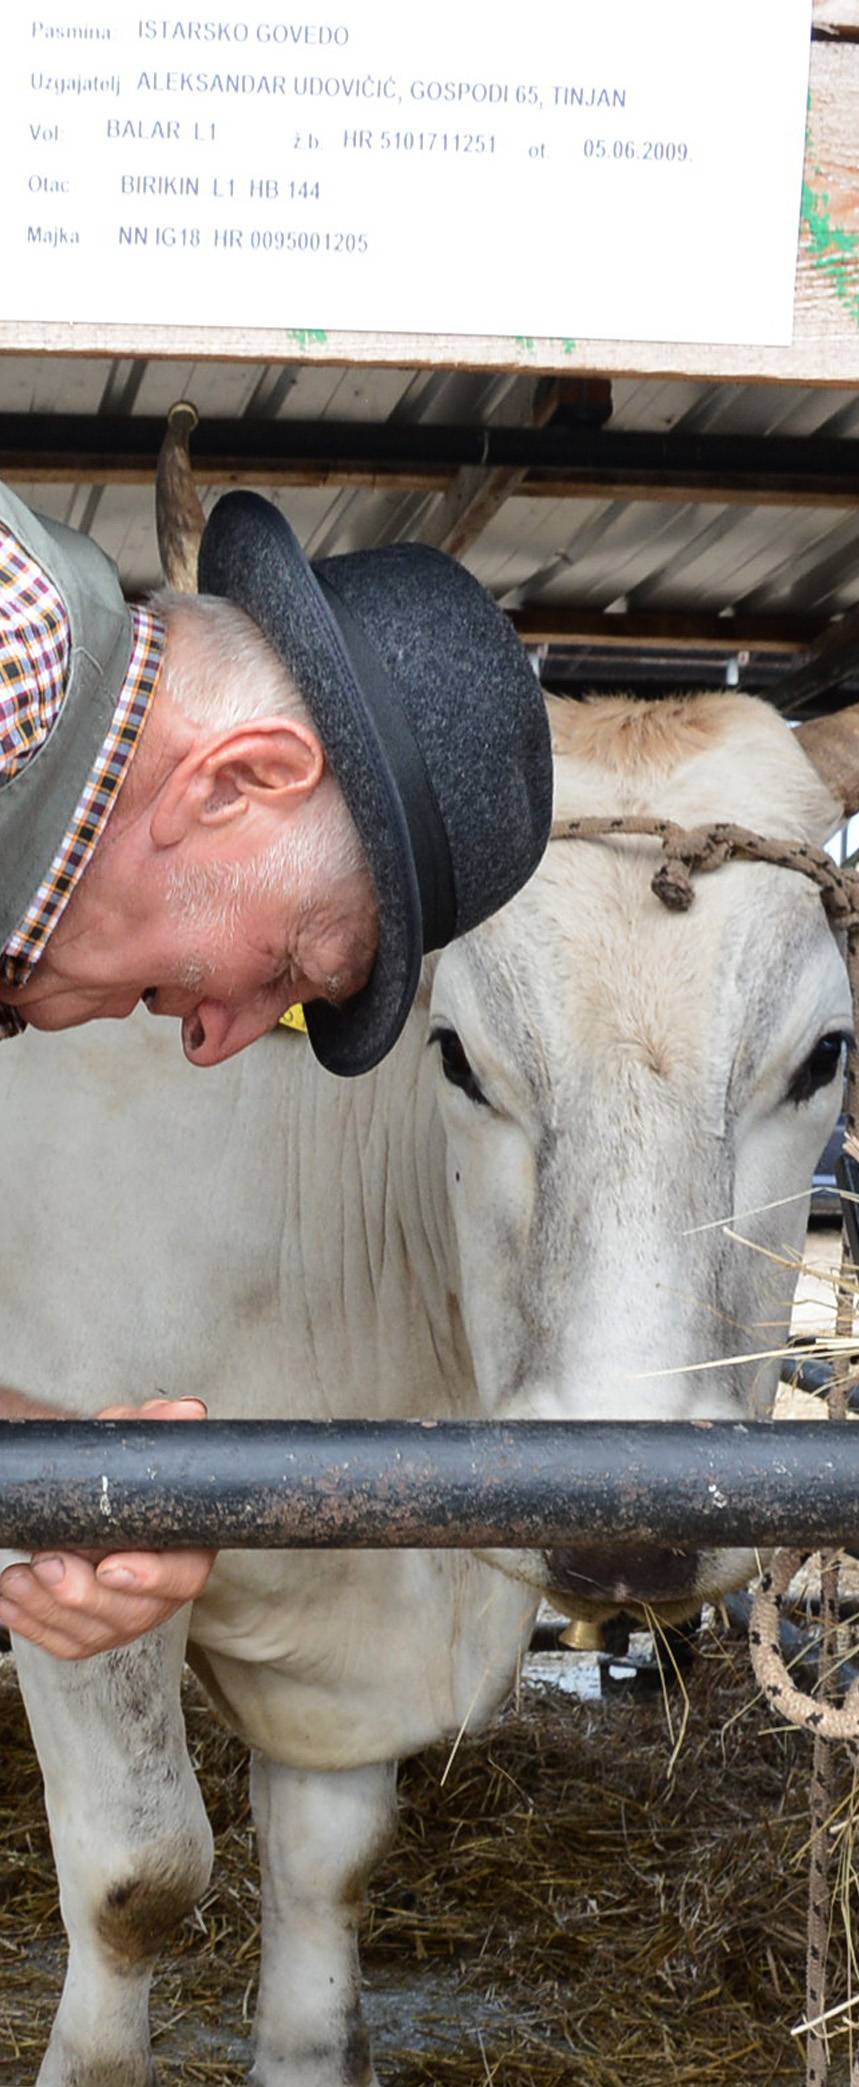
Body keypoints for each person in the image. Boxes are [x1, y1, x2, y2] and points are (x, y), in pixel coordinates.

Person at [0, 468, 554, 1664]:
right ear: (241, 779)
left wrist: (44, 1477)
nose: (213, 1040)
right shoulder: (10, 650)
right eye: (294, 961)